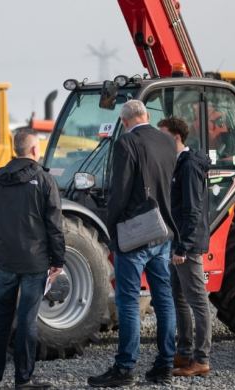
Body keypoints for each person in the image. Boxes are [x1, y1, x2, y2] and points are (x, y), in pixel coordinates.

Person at [89, 100, 178, 387]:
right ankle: (165, 364)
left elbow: (120, 190)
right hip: (163, 230)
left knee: (128, 300)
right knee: (164, 298)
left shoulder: (126, 143)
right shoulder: (166, 142)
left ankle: (125, 368)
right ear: (146, 116)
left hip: (135, 233)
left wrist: (112, 226)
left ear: (124, 120)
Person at [0, 130, 65, 390]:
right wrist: (57, 259)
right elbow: (54, 225)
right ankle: (23, 380)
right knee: (27, 320)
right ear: (35, 150)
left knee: (0, 320)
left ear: (15, 149)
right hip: (35, 263)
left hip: (4, 261)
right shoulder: (45, 180)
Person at [158, 117, 212, 377]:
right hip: (178, 241)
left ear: (177, 137)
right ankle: (185, 352)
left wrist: (183, 247)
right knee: (179, 298)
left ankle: (201, 359)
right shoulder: (178, 163)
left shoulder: (189, 166)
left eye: (163, 135)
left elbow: (192, 210)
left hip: (186, 245)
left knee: (197, 301)